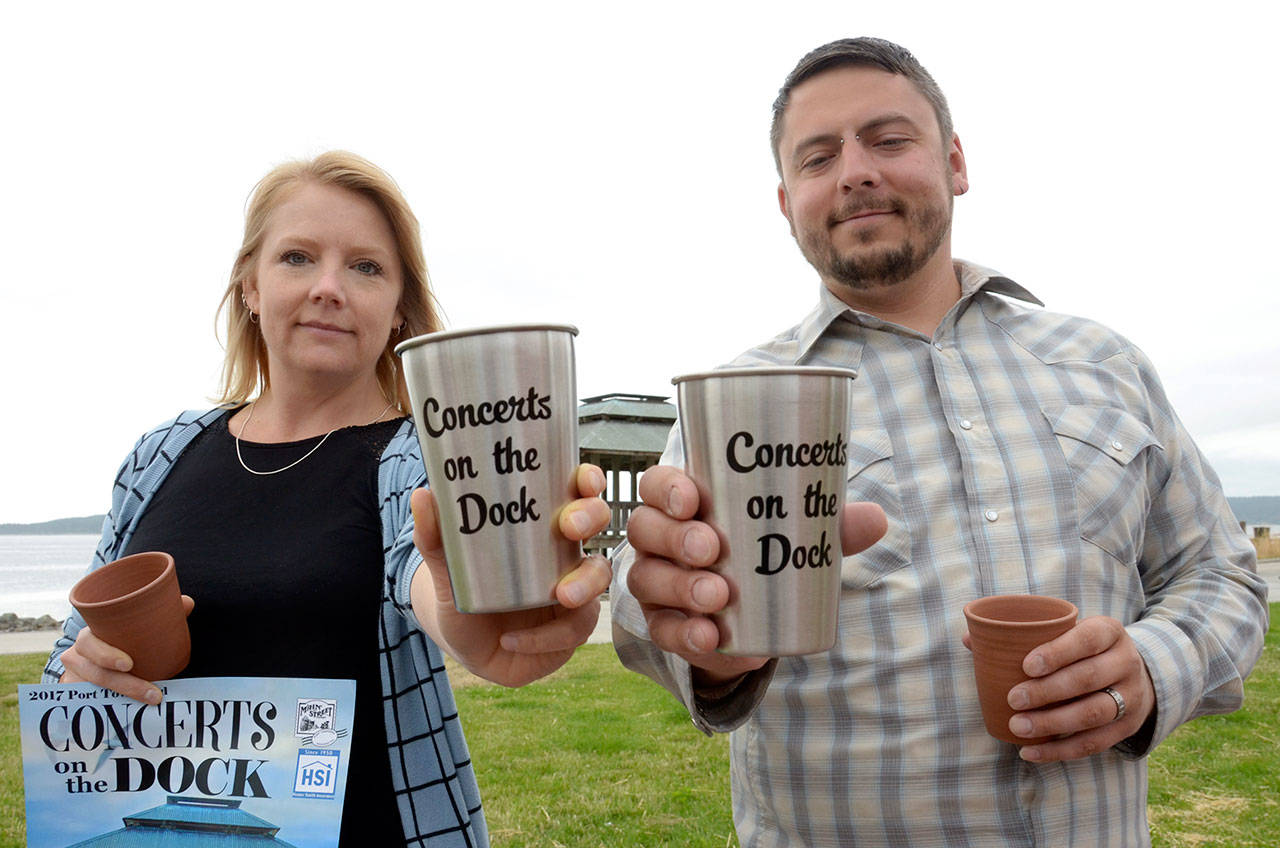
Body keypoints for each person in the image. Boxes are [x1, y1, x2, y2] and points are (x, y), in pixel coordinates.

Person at [610, 37, 1270, 847]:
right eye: (818, 158)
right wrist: (698, 636)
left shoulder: (1106, 362)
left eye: (889, 140)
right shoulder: (737, 401)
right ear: (787, 203)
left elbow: (1221, 572)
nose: (856, 171)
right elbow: (643, 597)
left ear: (956, 162)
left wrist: (1152, 668)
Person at [44, 151, 612, 847]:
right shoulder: (160, 454)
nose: (329, 288)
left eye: (366, 267)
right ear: (250, 286)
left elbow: (424, 567)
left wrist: (471, 614)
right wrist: (83, 672)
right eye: (297, 258)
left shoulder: (420, 455)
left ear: (400, 307)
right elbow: (71, 655)